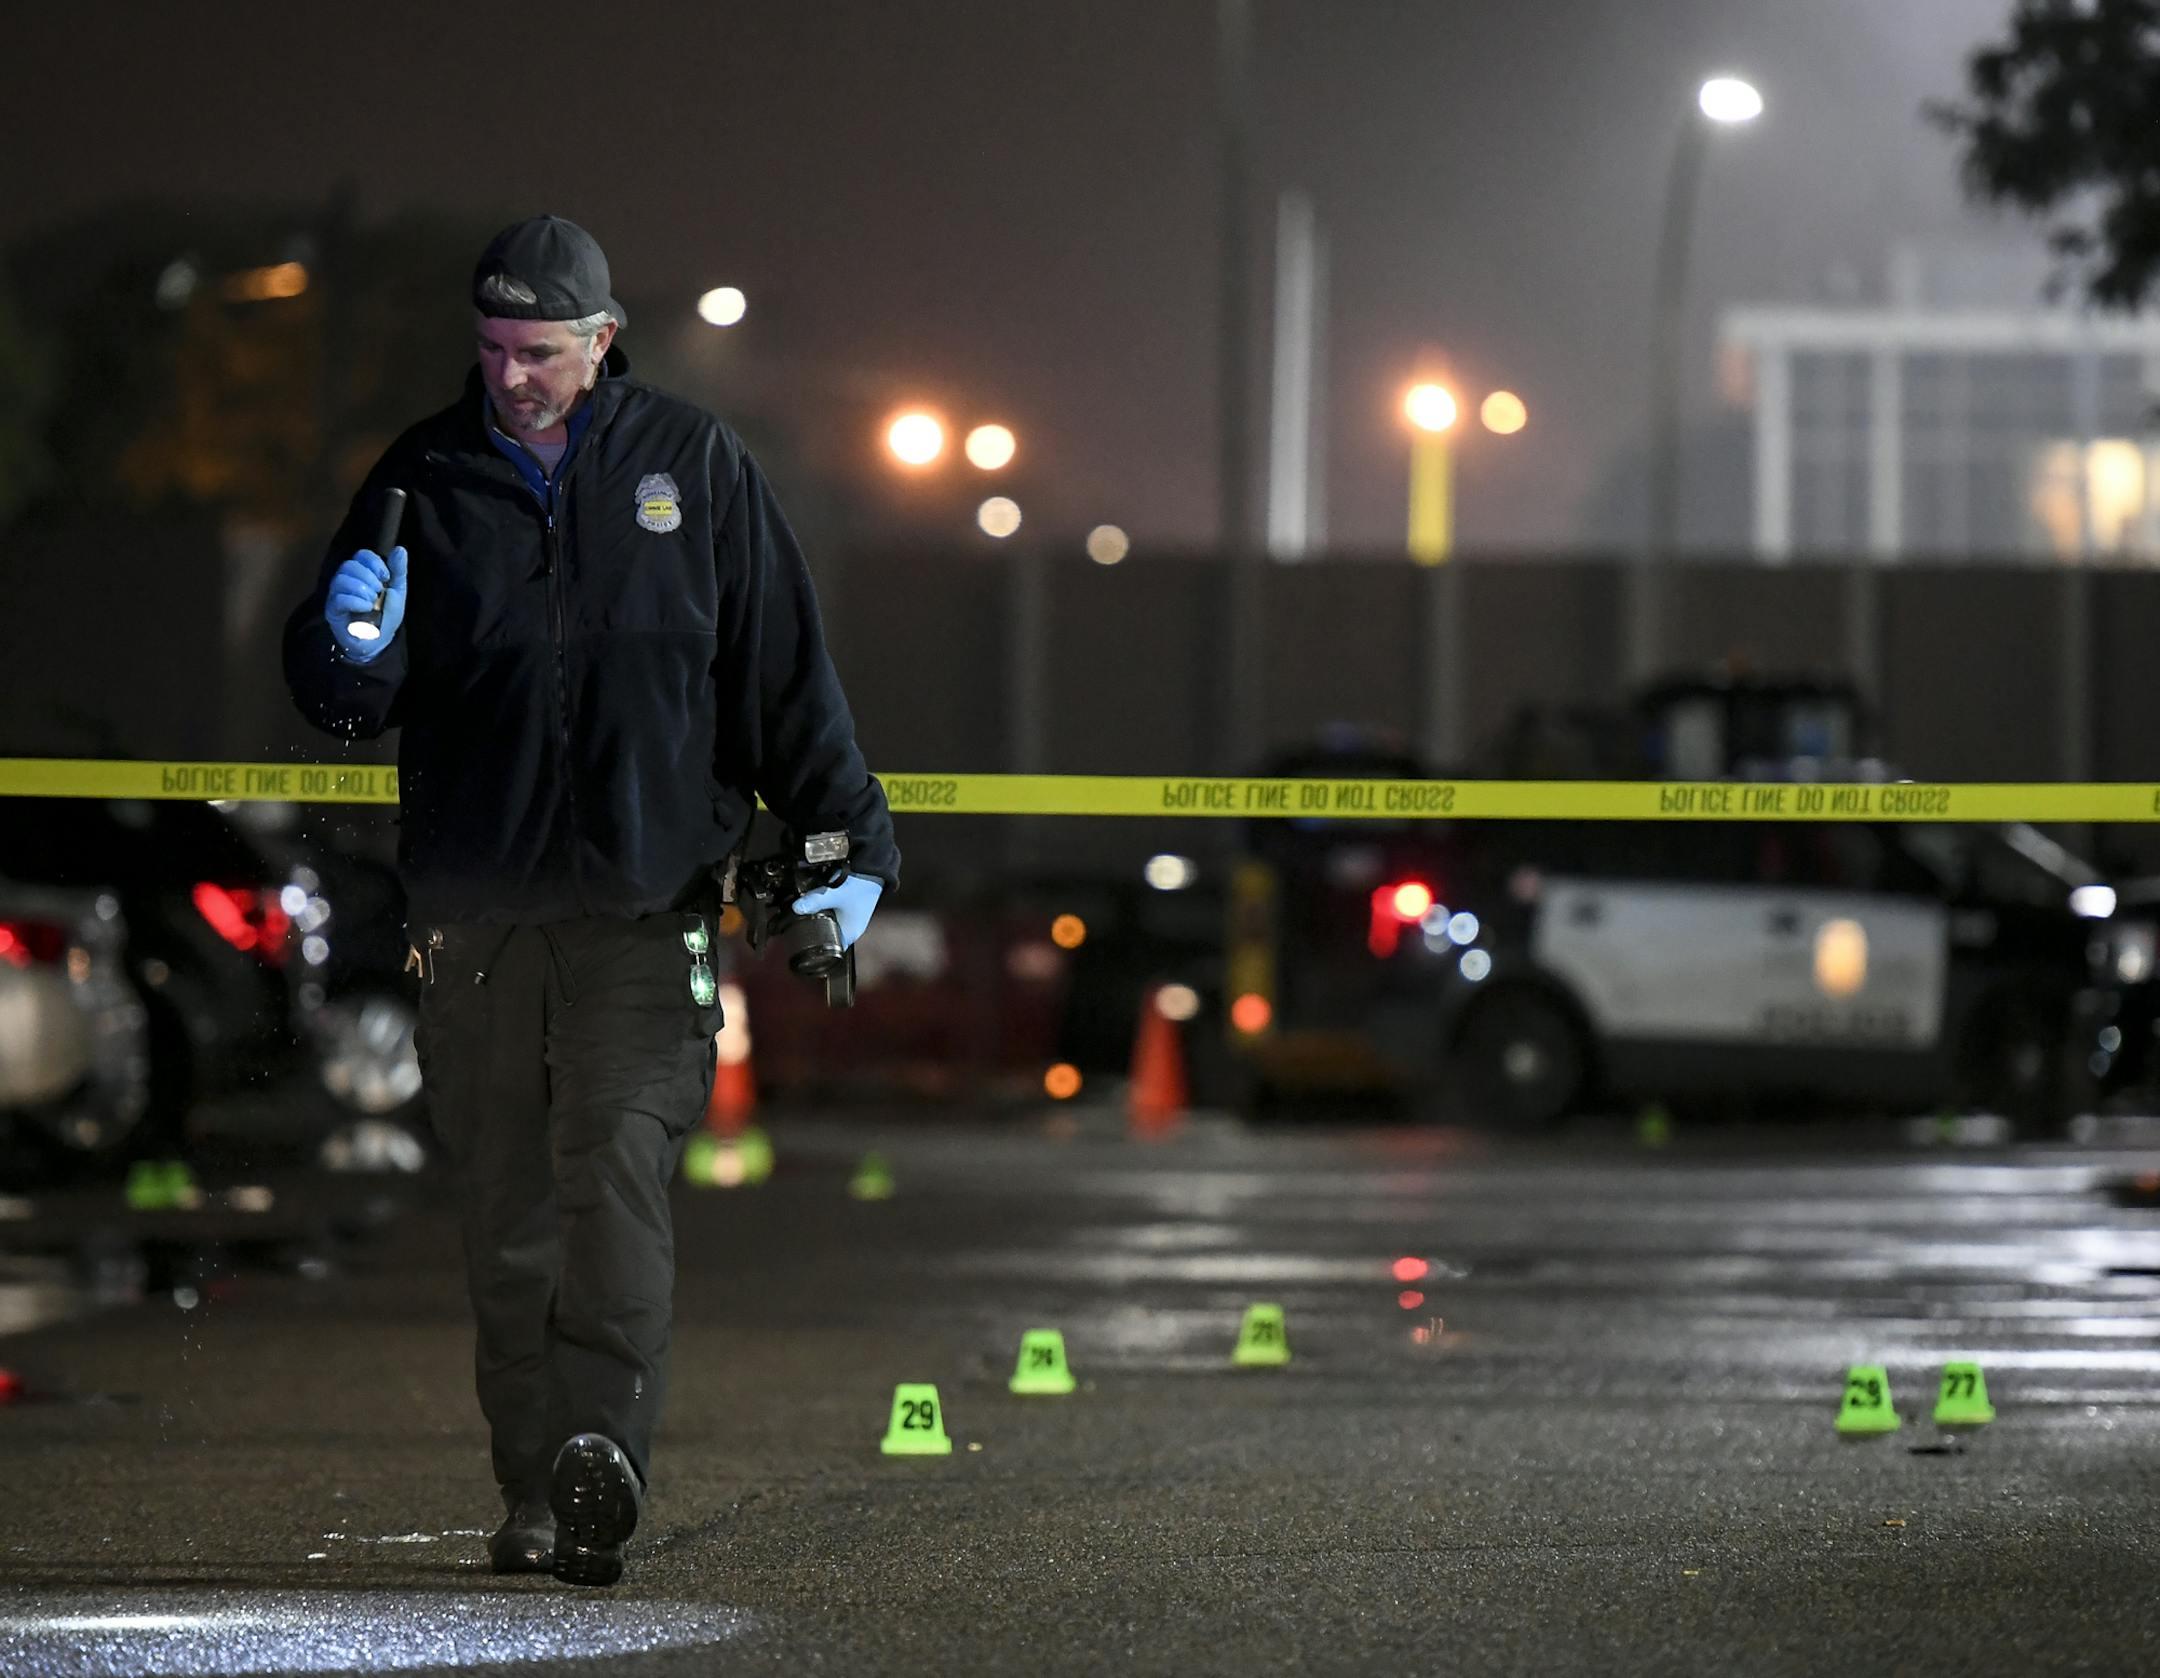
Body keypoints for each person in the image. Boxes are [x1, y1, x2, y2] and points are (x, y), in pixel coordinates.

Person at [282, 215, 896, 1588]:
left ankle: (602, 1453)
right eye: (494, 350)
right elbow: (334, 699)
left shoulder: (692, 467)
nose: (513, 378)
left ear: (603, 341)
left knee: (612, 1171)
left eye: (542, 352)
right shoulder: (420, 480)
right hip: (478, 920)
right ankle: (534, 1486)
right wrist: (346, 644)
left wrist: (852, 844)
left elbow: (783, 675)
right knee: (507, 1219)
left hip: (644, 907)